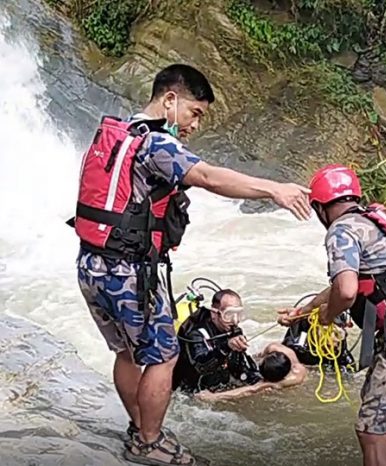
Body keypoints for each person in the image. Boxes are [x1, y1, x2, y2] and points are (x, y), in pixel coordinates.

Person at [71, 64, 312, 466]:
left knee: (128, 352)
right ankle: (149, 443)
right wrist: (274, 189)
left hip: (91, 263)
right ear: (169, 100)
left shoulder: (117, 136)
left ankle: (139, 429)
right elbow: (207, 176)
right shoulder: (156, 144)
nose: (195, 124)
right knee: (163, 357)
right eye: (194, 112)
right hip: (130, 270)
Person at [279, 164, 386, 466]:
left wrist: (327, 319)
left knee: (370, 430)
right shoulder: (373, 219)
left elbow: (345, 292)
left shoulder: (340, 231)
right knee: (380, 422)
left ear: (320, 208)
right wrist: (304, 312)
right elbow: (352, 284)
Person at [173, 289, 307, 402]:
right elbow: (202, 366)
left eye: (239, 314)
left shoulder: (232, 329)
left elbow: (240, 366)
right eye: (229, 315)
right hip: (192, 394)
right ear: (214, 313)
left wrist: (257, 381)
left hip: (220, 384)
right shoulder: (195, 335)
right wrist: (226, 347)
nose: (235, 321)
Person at [280, 309, 356, 371]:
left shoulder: (344, 357)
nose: (331, 342)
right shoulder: (296, 349)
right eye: (325, 333)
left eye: (337, 334)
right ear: (314, 333)